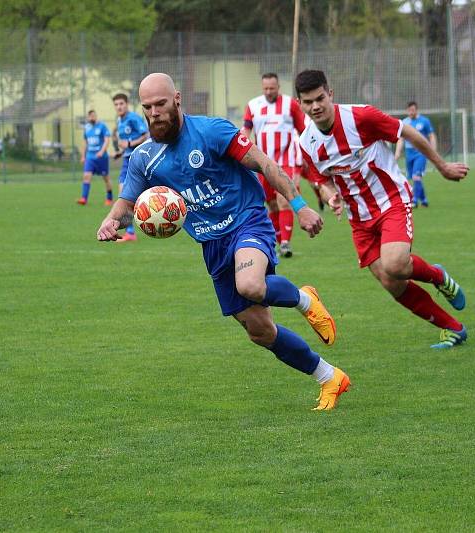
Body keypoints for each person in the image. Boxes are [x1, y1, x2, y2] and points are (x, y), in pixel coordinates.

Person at [97, 73, 350, 410]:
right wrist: (112, 221)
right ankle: (329, 377)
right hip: (212, 244)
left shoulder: (211, 131)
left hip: (247, 221)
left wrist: (300, 206)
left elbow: (263, 163)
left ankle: (304, 300)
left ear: (177, 98)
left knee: (250, 285)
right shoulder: (144, 158)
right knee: (261, 331)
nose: (155, 112)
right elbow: (127, 204)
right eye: (148, 107)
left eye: (161, 104)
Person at [295, 69, 470, 349]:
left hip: (391, 201)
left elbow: (408, 132)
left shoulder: (360, 117)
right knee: (392, 283)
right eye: (307, 102)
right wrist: (330, 197)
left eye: (319, 98)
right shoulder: (306, 142)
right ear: (300, 104)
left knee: (396, 264)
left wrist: (442, 166)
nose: (315, 106)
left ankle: (438, 276)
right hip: (358, 219)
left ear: (330, 94)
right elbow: (320, 179)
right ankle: (453, 328)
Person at [242, 73, 307, 258]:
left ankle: (286, 243)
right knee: (271, 205)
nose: (269, 91)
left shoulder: (290, 104)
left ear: (279, 87)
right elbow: (246, 132)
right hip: (262, 163)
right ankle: (279, 242)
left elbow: (303, 131)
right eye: (266, 89)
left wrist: (300, 163)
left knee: (283, 200)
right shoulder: (253, 105)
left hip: (286, 161)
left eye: (272, 88)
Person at [112, 93, 150, 242]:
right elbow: (126, 143)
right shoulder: (119, 121)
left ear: (126, 104)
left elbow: (145, 135)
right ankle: (130, 232)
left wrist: (129, 144)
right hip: (127, 159)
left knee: (125, 196)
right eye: (116, 104)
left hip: (136, 160)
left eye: (121, 103)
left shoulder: (133, 118)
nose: (119, 107)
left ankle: (130, 232)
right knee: (123, 195)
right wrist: (120, 152)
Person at [394, 101, 436, 207]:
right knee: (414, 178)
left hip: (421, 153)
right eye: (409, 110)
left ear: (416, 110)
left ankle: (414, 200)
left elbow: (431, 136)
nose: (411, 112)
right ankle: (424, 199)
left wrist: (433, 151)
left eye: (413, 110)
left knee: (416, 176)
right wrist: (397, 153)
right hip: (409, 154)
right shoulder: (405, 122)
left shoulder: (424, 121)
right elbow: (401, 139)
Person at [77, 110, 112, 206]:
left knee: (106, 178)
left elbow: (107, 140)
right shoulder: (87, 128)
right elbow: (85, 143)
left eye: (93, 116)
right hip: (90, 157)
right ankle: (84, 198)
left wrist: (102, 151)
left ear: (96, 116)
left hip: (102, 158)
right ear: (88, 118)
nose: (91, 117)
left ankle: (109, 198)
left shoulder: (102, 126)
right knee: (86, 176)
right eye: (90, 116)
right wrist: (83, 156)